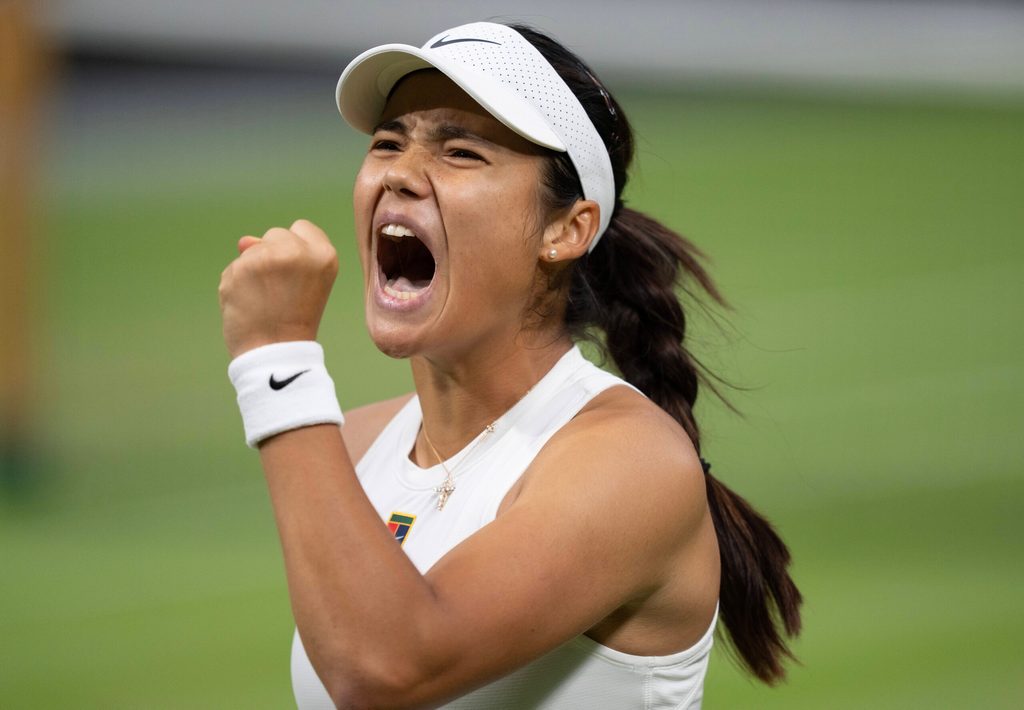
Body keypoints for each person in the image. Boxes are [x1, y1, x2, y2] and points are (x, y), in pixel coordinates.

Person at [218, 21, 801, 709]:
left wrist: (278, 358)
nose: (400, 173)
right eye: (387, 142)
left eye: (461, 153)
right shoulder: (350, 443)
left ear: (566, 229)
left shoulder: (630, 462)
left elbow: (384, 667)